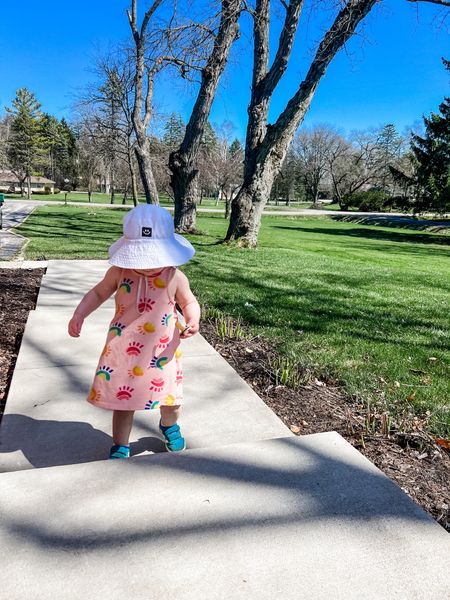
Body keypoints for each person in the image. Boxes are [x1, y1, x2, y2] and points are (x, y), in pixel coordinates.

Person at [67, 204, 200, 458]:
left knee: (170, 399)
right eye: (142, 257)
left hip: (162, 352)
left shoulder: (175, 277)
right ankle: (120, 444)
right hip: (123, 350)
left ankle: (169, 425)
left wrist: (193, 319)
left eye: (154, 258)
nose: (148, 265)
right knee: (123, 400)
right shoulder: (119, 272)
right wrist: (80, 313)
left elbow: (189, 302)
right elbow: (98, 292)